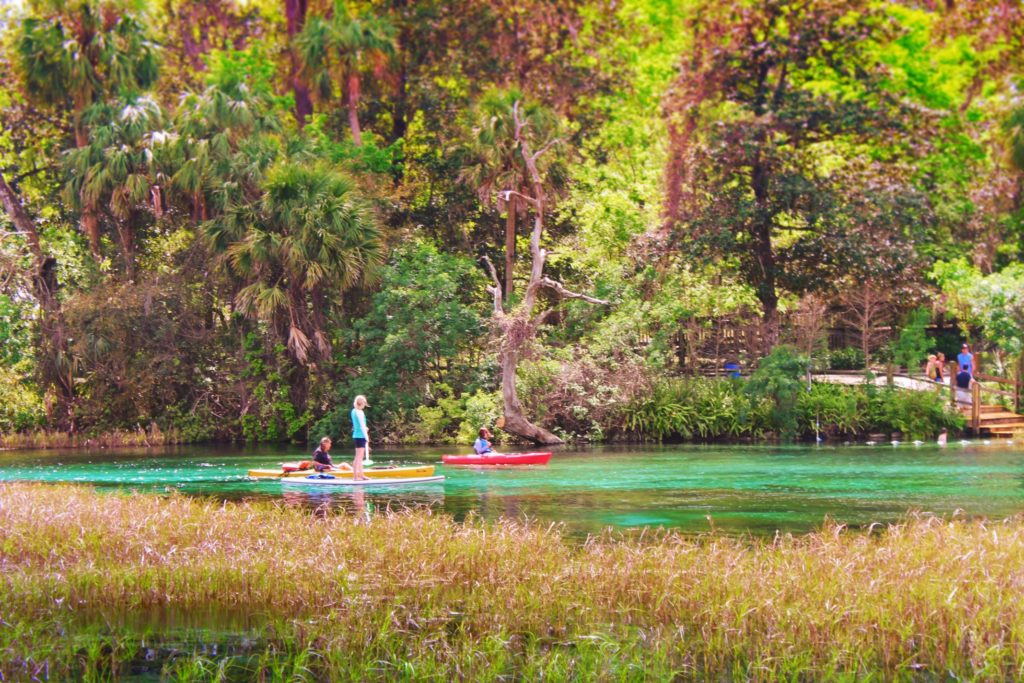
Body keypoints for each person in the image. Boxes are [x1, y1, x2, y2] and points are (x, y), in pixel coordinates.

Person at [351, 395, 371, 481]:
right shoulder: (360, 412)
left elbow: (358, 424)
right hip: (360, 436)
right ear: (362, 403)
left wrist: (364, 428)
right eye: (364, 404)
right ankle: (356, 477)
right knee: (358, 457)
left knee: (359, 457)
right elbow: (362, 426)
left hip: (357, 435)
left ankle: (361, 475)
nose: (364, 406)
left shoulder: (353, 411)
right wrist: (367, 437)